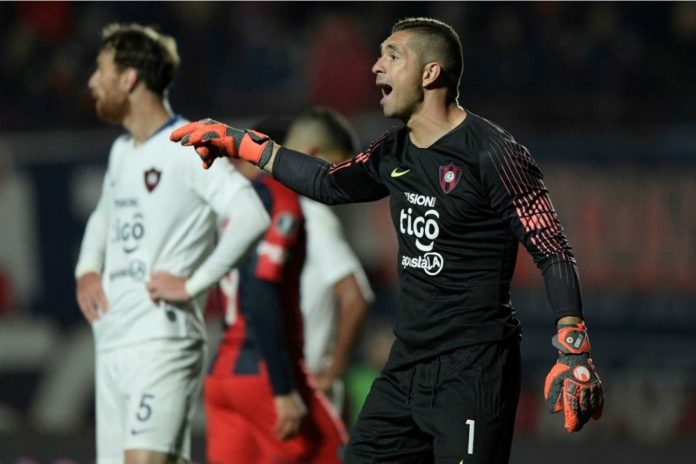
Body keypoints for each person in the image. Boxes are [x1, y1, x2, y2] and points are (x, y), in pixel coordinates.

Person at [171, 16, 604, 464]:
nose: (376, 66)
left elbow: (553, 249)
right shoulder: (391, 151)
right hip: (406, 366)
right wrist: (243, 144)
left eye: (392, 56)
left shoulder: (493, 152)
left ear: (430, 73)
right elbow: (329, 183)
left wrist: (574, 348)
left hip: (473, 369)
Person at [74, 23, 270, 464]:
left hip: (162, 338)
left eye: (100, 70)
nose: (91, 82)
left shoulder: (187, 146)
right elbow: (103, 216)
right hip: (113, 341)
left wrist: (194, 283)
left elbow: (250, 215)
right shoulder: (123, 151)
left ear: (129, 78)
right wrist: (87, 268)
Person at [206, 160, 347, 463]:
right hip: (264, 374)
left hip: (222, 374)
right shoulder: (277, 194)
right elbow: (259, 289)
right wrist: (282, 388)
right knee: (337, 454)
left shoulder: (233, 205)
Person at [282, 107, 374, 416]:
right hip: (306, 386)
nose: (343, 188)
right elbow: (356, 297)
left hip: (262, 380)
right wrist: (333, 371)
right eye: (338, 170)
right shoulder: (313, 214)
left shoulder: (257, 204)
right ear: (312, 155)